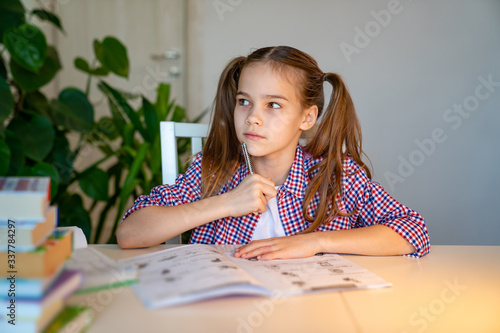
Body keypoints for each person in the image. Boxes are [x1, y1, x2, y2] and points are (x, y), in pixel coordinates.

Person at [117, 46, 430, 259]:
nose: (253, 116)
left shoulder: (335, 176)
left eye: (274, 105)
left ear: (307, 118)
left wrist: (314, 242)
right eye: (244, 101)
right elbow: (130, 234)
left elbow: (413, 231)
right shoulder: (212, 170)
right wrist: (226, 203)